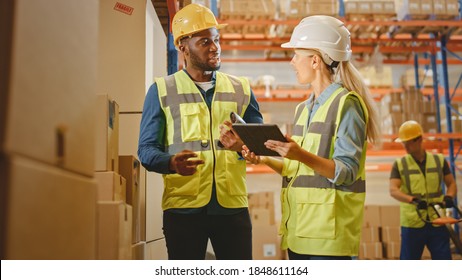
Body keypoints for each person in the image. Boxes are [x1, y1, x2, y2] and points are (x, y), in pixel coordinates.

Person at [240, 15, 381, 259]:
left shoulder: (347, 105)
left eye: (296, 55)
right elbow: (296, 169)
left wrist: (299, 153)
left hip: (328, 236)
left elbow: (345, 172)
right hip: (299, 232)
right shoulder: (303, 109)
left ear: (315, 60)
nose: (292, 62)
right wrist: (263, 159)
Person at [137, 3, 262, 260]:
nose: (215, 47)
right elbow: (146, 151)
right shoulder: (162, 90)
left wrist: (242, 147)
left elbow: (261, 143)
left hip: (232, 208)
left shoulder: (241, 89)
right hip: (183, 210)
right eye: (205, 41)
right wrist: (171, 163)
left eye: (216, 39)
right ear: (182, 46)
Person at [389, 120, 457, 260]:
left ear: (419, 139)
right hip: (412, 223)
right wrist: (412, 200)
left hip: (437, 219)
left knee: (443, 260)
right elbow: (393, 190)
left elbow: (451, 183)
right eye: (403, 142)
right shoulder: (400, 164)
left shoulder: (439, 160)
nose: (405, 146)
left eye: (409, 142)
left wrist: (449, 196)